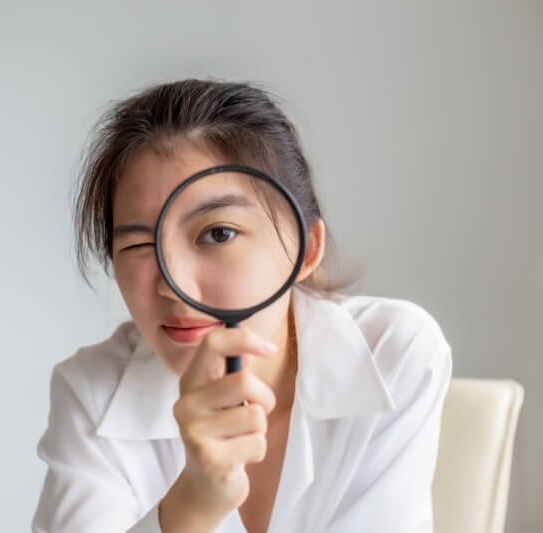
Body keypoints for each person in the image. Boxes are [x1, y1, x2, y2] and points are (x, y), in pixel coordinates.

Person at [32, 79, 452, 532]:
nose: (174, 286)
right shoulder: (89, 390)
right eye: (138, 244)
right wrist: (189, 507)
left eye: (218, 233)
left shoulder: (393, 352)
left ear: (307, 250)